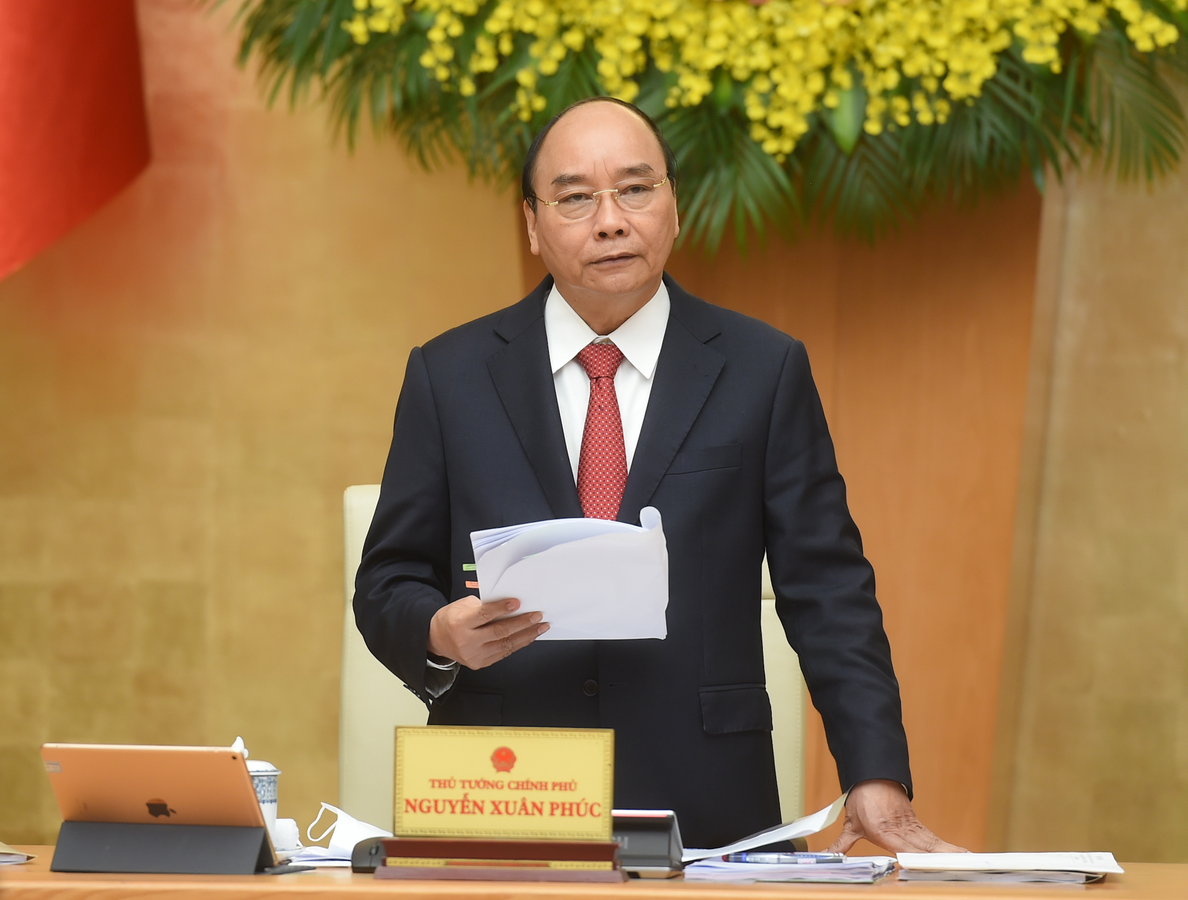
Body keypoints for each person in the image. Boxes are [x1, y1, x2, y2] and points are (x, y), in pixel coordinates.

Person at [354, 97, 961, 854]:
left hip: (708, 807)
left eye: (636, 189)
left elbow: (828, 589)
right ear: (532, 226)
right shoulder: (450, 375)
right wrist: (439, 632)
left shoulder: (763, 369)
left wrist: (875, 774)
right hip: (505, 793)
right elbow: (387, 583)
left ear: (675, 208)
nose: (610, 221)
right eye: (576, 197)